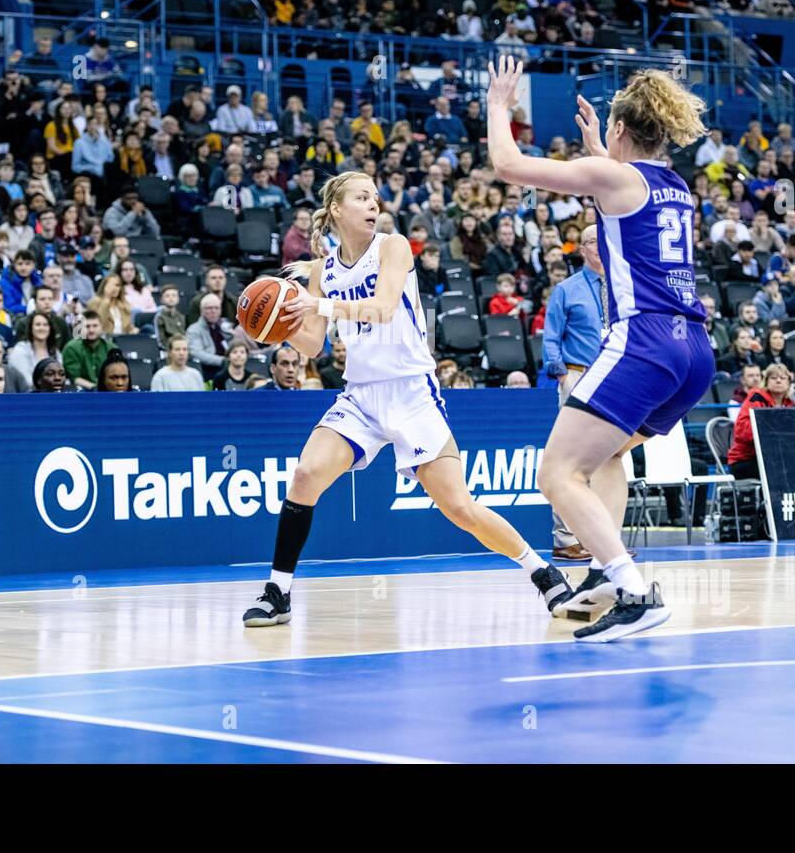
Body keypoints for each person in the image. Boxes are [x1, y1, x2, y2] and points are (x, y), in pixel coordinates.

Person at [240, 169, 576, 629]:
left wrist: (317, 305)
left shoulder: (393, 246)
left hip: (412, 392)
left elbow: (381, 309)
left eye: (375, 196)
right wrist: (276, 326)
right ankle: (277, 592)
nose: (373, 203)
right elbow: (314, 346)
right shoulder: (323, 270)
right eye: (362, 197)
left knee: (459, 507)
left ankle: (543, 573)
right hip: (360, 396)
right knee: (304, 476)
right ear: (337, 209)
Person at [487, 57, 717, 641]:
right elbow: (623, 203)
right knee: (607, 457)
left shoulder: (614, 177)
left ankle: (636, 591)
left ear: (619, 130)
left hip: (643, 341)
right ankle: (607, 575)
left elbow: (506, 164)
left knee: (557, 473)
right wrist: (599, 149)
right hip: (693, 349)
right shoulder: (676, 185)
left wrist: (498, 106)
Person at [540, 223, 609, 560]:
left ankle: (603, 541)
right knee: (571, 460)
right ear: (582, 249)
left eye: (605, 241)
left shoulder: (623, 288)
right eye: (595, 242)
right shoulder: (566, 289)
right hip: (580, 377)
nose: (601, 247)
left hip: (614, 379)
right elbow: (550, 337)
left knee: (607, 459)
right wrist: (563, 375)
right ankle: (566, 539)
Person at [726, 364, 793, 478]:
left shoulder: (789, 404)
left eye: (782, 378)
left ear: (789, 383)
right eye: (773, 378)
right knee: (780, 467)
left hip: (775, 457)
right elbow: (742, 430)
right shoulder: (756, 398)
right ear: (766, 381)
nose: (778, 381)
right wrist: (769, 433)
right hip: (745, 460)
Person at [61, 309, 117, 390]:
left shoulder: (111, 348)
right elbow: (74, 378)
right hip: (80, 393)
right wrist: (95, 388)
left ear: (101, 327)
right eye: (87, 326)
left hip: (107, 391)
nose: (91, 330)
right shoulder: (71, 348)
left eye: (95, 326)